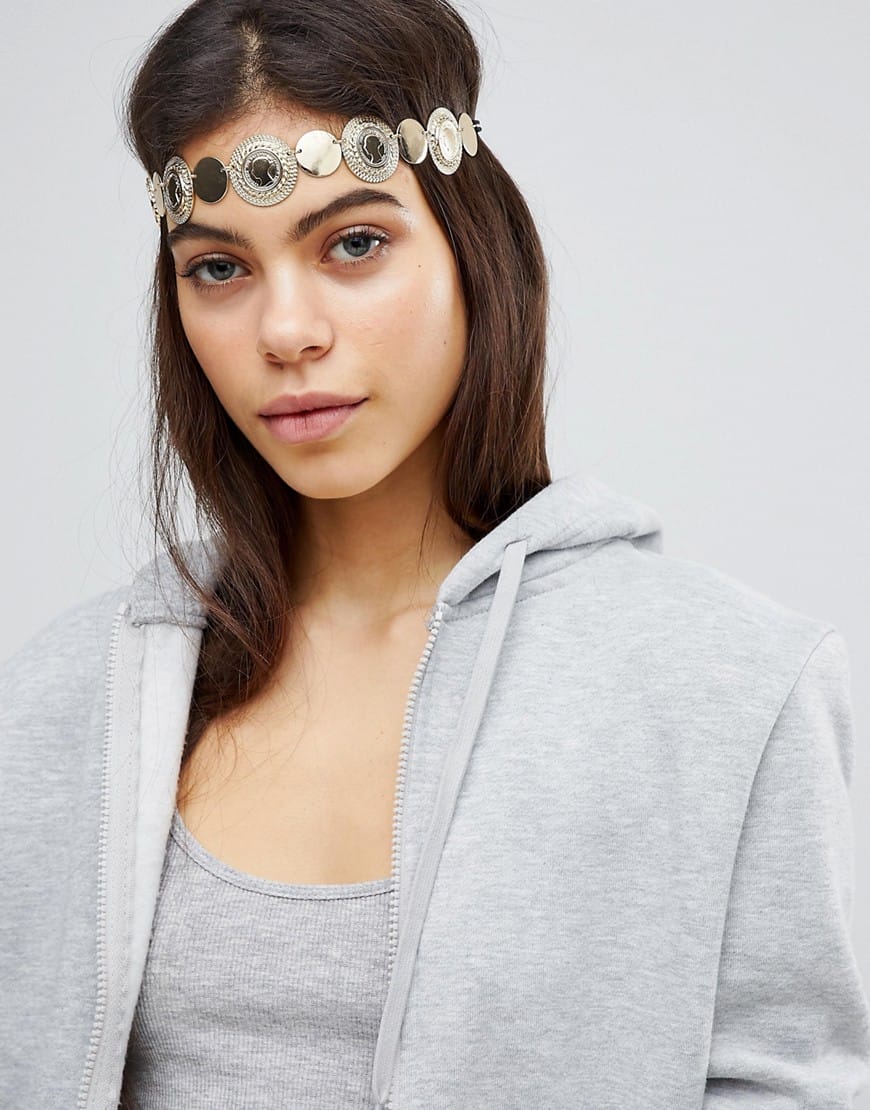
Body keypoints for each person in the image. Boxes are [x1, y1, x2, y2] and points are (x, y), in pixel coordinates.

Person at [1, 0, 869, 1106]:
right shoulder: (57, 700)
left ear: (473, 249)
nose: (286, 331)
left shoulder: (731, 682)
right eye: (218, 267)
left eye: (354, 243)